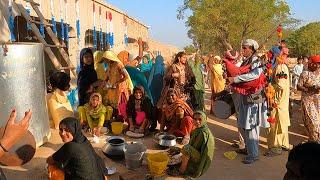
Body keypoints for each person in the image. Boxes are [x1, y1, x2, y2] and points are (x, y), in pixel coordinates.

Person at [228, 39, 269, 164]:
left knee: (251, 127)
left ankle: (253, 154)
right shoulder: (247, 60)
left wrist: (235, 79)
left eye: (245, 48)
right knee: (245, 125)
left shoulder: (257, 61)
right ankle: (248, 149)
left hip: (254, 99)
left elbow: (255, 75)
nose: (243, 50)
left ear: (251, 49)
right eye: (243, 47)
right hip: (245, 97)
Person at [265, 55, 291, 156]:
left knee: (274, 125)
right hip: (280, 102)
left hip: (276, 102)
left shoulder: (280, 67)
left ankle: (275, 148)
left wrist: (270, 86)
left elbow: (281, 85)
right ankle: (284, 144)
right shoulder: (278, 67)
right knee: (281, 123)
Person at [179, 111, 214, 178]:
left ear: (204, 120)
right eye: (195, 119)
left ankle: (181, 170)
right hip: (197, 153)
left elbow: (192, 148)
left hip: (201, 159)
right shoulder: (198, 130)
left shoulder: (203, 133)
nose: (197, 121)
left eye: (200, 119)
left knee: (186, 148)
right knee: (184, 148)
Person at [297, 55, 320, 142]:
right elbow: (298, 86)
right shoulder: (305, 73)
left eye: (318, 64)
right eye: (316, 64)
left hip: (318, 101)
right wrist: (309, 88)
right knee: (314, 122)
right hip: (308, 101)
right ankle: (314, 141)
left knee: (317, 123)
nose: (317, 66)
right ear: (311, 63)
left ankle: (314, 141)